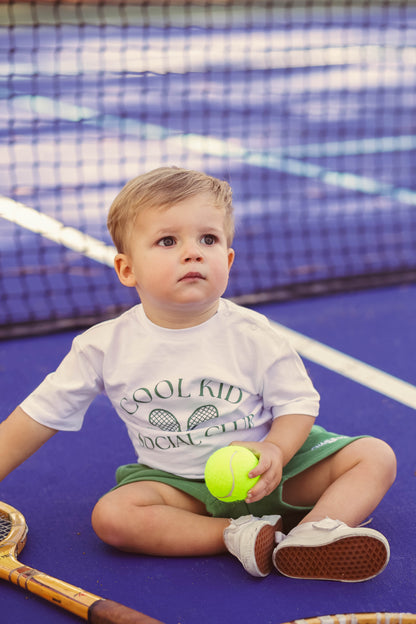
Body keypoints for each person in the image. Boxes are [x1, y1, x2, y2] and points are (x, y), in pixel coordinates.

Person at [0, 167, 396, 581]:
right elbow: (34, 419)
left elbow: (297, 403)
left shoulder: (252, 333)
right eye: (167, 241)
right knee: (112, 517)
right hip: (178, 488)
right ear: (126, 269)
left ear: (226, 260)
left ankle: (314, 534)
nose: (192, 252)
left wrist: (277, 449)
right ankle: (238, 534)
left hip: (272, 474)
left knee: (374, 457)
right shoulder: (101, 347)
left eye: (208, 239)